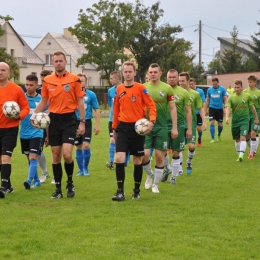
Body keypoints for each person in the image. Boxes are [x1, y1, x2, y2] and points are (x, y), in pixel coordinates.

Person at [30, 51, 85, 199]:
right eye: (56, 61)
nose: (58, 63)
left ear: (65, 62)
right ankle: (58, 189)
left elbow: (80, 102)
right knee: (55, 155)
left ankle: (70, 183)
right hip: (53, 120)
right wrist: (34, 115)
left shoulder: (74, 79)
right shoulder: (47, 80)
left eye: (61, 61)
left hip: (69, 119)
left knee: (67, 155)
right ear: (52, 63)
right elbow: (44, 101)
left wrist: (82, 122)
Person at [112, 61, 156, 201]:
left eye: (130, 71)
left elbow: (152, 106)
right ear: (122, 73)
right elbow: (116, 110)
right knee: (119, 158)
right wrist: (114, 128)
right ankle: (120, 191)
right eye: (125, 71)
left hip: (138, 129)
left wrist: (152, 122)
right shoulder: (118, 89)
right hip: (123, 128)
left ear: (135, 72)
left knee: (137, 160)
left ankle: (136, 190)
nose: (128, 73)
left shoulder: (141, 88)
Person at [142, 63, 178, 194]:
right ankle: (149, 175)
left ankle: (155, 185)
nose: (152, 74)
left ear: (160, 73)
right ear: (148, 73)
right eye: (150, 72)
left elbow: (173, 108)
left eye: (155, 72)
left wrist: (174, 127)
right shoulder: (143, 87)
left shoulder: (167, 88)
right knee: (144, 156)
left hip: (162, 127)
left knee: (159, 156)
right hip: (146, 127)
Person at [0, 62, 29, 199]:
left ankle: (4, 186)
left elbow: (25, 108)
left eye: (3, 70)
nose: (0, 72)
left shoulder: (16, 89)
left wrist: (19, 116)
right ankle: (9, 186)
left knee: (6, 157)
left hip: (10, 129)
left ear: (9, 73)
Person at [161, 69, 192, 184]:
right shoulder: (162, 90)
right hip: (163, 124)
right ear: (166, 78)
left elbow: (188, 111)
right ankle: (167, 169)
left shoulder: (183, 92)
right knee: (162, 150)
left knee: (175, 152)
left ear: (177, 78)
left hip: (179, 125)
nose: (172, 79)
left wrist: (189, 128)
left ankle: (173, 177)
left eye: (174, 77)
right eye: (170, 77)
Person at [20, 74, 47, 189]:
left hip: (37, 133)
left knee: (33, 157)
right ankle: (36, 180)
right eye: (26, 84)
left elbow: (47, 118)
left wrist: (48, 135)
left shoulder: (41, 100)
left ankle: (29, 180)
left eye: (31, 85)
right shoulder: (21, 99)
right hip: (23, 133)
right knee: (29, 159)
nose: (28, 87)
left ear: (37, 85)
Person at [179, 72, 206, 174]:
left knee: (191, 146)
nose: (181, 83)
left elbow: (201, 108)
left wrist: (204, 121)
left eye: (183, 81)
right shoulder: (175, 92)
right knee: (179, 147)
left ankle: (189, 162)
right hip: (179, 123)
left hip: (191, 123)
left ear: (188, 81)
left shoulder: (195, 94)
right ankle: (180, 167)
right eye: (179, 81)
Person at [226, 80, 258, 161]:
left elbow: (252, 108)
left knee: (243, 137)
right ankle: (239, 154)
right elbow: (228, 108)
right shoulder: (231, 97)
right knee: (237, 140)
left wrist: (256, 118)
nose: (236, 89)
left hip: (244, 120)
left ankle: (241, 155)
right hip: (235, 121)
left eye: (238, 87)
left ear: (242, 87)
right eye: (235, 87)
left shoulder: (247, 96)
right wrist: (226, 117)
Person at [75, 73, 100, 176]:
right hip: (75, 122)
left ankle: (85, 168)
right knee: (78, 146)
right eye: (78, 81)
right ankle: (80, 170)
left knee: (86, 145)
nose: (80, 83)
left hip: (87, 122)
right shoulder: (72, 94)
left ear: (86, 82)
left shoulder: (91, 94)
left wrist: (97, 125)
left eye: (82, 81)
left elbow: (97, 109)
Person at [106, 71, 130, 170]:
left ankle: (125, 161)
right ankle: (111, 162)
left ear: (117, 78)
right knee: (112, 140)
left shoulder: (126, 88)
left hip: (124, 120)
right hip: (112, 120)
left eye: (112, 78)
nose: (110, 80)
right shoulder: (110, 91)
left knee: (126, 142)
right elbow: (110, 105)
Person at [37, 70, 53, 184]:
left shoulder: (54, 89)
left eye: (45, 80)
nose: (43, 82)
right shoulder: (37, 90)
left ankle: (56, 176)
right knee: (38, 149)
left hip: (53, 122)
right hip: (40, 124)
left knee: (55, 150)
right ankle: (44, 172)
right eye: (42, 80)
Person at [205, 78, 227, 143]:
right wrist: (205, 109)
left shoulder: (222, 89)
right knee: (212, 122)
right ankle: (212, 138)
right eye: (213, 84)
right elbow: (207, 100)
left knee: (220, 124)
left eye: (215, 83)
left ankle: (219, 135)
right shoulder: (209, 90)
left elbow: (225, 99)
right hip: (212, 108)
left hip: (220, 108)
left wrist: (225, 108)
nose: (214, 85)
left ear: (218, 83)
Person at [243, 74, 260, 158]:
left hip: (256, 114)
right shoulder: (245, 92)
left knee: (253, 133)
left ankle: (251, 154)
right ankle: (253, 150)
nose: (249, 83)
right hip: (247, 114)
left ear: (255, 82)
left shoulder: (258, 92)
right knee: (247, 136)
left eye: (251, 82)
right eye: (248, 82)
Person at [189, 78, 206, 147]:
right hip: (190, 113)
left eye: (192, 84)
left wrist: (204, 110)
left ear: (195, 83)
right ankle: (190, 141)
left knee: (199, 128)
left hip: (198, 113)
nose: (190, 85)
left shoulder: (200, 91)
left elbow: (203, 101)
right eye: (189, 84)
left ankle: (199, 138)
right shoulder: (187, 92)